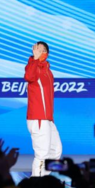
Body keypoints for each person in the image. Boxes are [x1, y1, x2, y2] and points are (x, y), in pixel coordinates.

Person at [24, 41, 62, 177]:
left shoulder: (48, 71)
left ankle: (43, 180)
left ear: (47, 53)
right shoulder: (32, 67)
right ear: (33, 51)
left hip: (48, 119)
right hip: (38, 118)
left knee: (56, 150)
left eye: (43, 49)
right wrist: (34, 59)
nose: (40, 51)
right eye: (37, 49)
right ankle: (36, 187)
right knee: (41, 155)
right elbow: (28, 76)